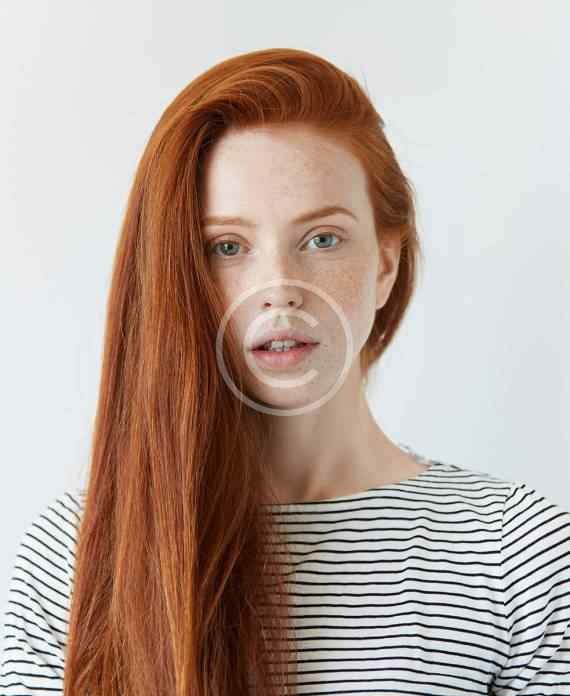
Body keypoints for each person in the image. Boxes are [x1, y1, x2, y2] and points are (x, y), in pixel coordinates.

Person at [2, 47, 569, 695]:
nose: (279, 289)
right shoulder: (75, 558)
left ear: (385, 265)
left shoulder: (516, 552)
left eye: (322, 239)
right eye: (227, 247)